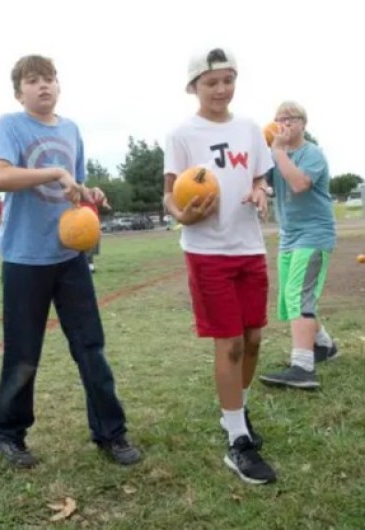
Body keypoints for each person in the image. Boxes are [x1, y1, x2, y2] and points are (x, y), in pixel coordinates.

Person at [0, 54, 141, 469]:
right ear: (19, 92)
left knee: (91, 348)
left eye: (49, 78)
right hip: (23, 259)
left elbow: (76, 186)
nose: (43, 86)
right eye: (33, 81)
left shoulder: (71, 130)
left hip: (70, 257)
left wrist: (91, 196)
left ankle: (111, 432)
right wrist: (53, 172)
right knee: (23, 352)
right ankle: (7, 435)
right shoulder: (9, 126)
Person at [162, 47, 276, 484]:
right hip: (208, 251)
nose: (221, 89)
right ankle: (236, 441)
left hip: (249, 247)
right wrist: (181, 214)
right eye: (211, 82)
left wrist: (262, 190)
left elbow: (259, 177)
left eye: (228, 80)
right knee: (228, 344)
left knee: (253, 340)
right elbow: (169, 195)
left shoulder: (250, 129)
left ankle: (237, 411)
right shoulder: (181, 134)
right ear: (195, 87)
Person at [258, 101, 339, 390]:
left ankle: (303, 367)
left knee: (298, 295)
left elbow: (299, 184)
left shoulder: (312, 153)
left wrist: (278, 151)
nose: (284, 124)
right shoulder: (274, 156)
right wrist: (258, 190)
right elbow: (264, 183)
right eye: (279, 119)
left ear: (303, 123)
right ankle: (324, 346)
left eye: (290, 119)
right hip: (289, 236)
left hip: (314, 234)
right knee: (289, 298)